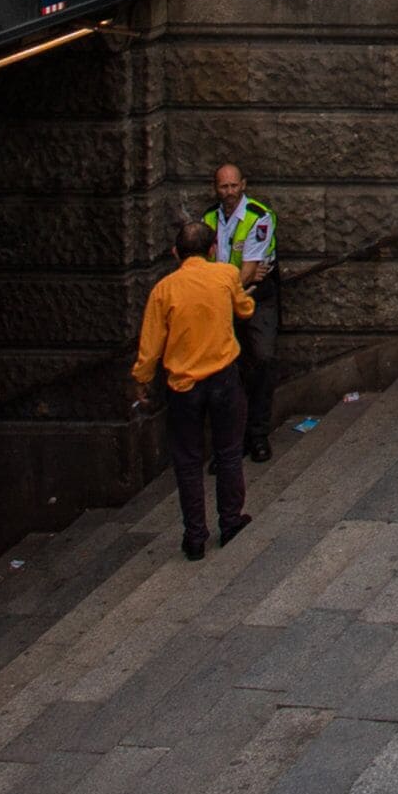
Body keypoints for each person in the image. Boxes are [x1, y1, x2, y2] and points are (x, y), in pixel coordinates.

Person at [131, 216, 257, 561]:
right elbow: (245, 309)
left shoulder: (164, 290)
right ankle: (230, 522)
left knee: (188, 463)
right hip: (223, 378)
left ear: (175, 253)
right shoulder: (226, 275)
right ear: (214, 248)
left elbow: (151, 344)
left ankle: (194, 537)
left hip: (183, 386)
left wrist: (142, 380)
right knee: (228, 453)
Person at [208, 163, 283, 461]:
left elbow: (250, 270)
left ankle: (258, 434)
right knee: (227, 370)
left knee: (263, 360)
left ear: (244, 184)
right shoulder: (209, 219)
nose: (228, 192)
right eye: (223, 187)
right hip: (223, 302)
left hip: (256, 300)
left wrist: (224, 286)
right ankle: (231, 442)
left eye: (233, 186)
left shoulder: (258, 216)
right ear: (216, 188)